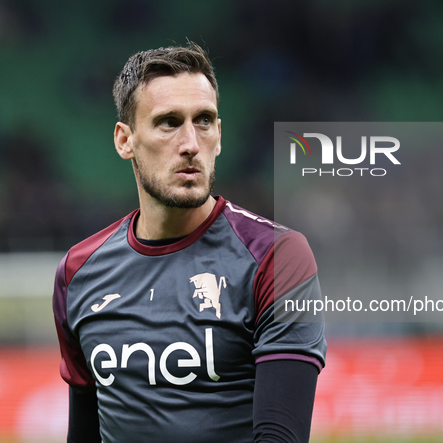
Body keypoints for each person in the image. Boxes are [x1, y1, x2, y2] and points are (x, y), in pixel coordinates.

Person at [52, 42, 327, 443]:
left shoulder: (276, 256)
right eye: (168, 122)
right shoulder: (77, 272)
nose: (191, 144)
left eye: (203, 121)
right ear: (124, 140)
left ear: (219, 134)